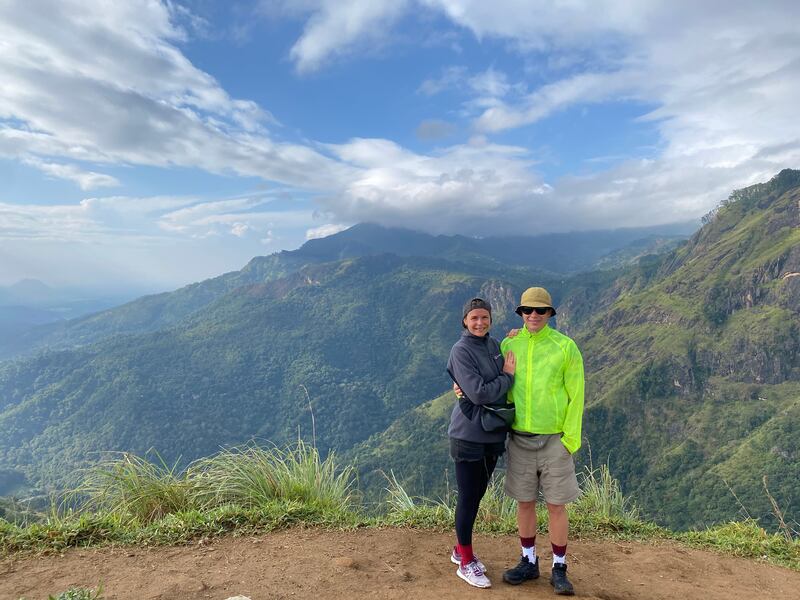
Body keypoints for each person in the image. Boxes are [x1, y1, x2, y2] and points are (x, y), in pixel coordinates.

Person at [500, 287, 584, 596]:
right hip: (520, 437)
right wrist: (460, 389)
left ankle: (559, 567)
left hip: (554, 440)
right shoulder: (509, 344)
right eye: (527, 310)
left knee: (556, 504)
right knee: (524, 503)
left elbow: (577, 394)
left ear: (550, 314)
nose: (533, 315)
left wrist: (569, 440)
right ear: (520, 313)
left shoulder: (565, 347)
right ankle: (528, 561)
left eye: (540, 311)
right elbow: (492, 381)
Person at [446, 297, 516, 589]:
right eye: (474, 318)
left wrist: (516, 338)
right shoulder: (461, 350)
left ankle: (458, 549)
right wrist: (507, 378)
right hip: (467, 435)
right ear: (464, 320)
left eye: (484, 318)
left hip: (492, 434)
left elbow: (494, 377)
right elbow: (478, 394)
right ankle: (466, 562)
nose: (479, 323)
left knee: (477, 496)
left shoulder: (494, 344)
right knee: (467, 497)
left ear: (490, 320)